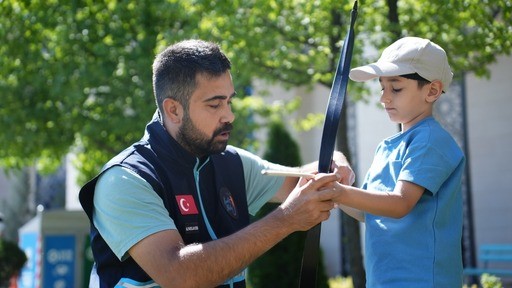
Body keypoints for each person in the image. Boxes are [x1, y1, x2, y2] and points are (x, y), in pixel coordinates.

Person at [79, 39, 354, 288]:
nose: (229, 116)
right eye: (214, 105)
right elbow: (180, 276)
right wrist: (286, 220)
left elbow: (301, 182)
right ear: (173, 109)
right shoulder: (127, 179)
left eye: (229, 101)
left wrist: (331, 163)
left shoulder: (231, 163)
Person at [332, 37, 465, 287]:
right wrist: (332, 191)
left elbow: (400, 204)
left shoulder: (429, 140)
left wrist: (339, 191)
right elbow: (370, 212)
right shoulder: (386, 147)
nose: (384, 98)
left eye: (396, 88)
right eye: (382, 88)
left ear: (432, 91)